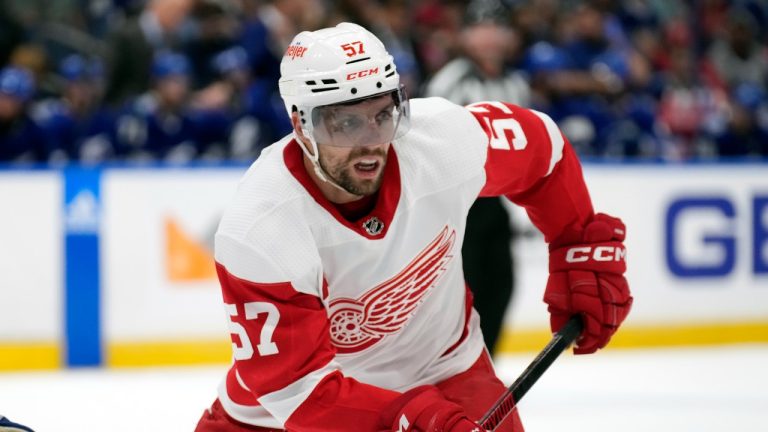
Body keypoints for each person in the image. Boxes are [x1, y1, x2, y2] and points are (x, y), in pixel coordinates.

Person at [196, 22, 632, 432]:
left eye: (382, 115)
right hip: (277, 418)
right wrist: (414, 419)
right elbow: (299, 391)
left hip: (445, 372)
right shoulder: (260, 226)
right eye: (345, 122)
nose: (370, 141)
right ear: (300, 124)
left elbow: (542, 149)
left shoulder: (441, 140)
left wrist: (576, 241)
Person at [424, 0, 530, 356]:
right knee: (462, 292)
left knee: (502, 284)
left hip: (496, 202)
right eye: (480, 28)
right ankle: (457, 371)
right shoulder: (450, 81)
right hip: (459, 206)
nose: (488, 36)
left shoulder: (515, 83)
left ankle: (487, 367)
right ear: (466, 35)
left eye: (496, 27)